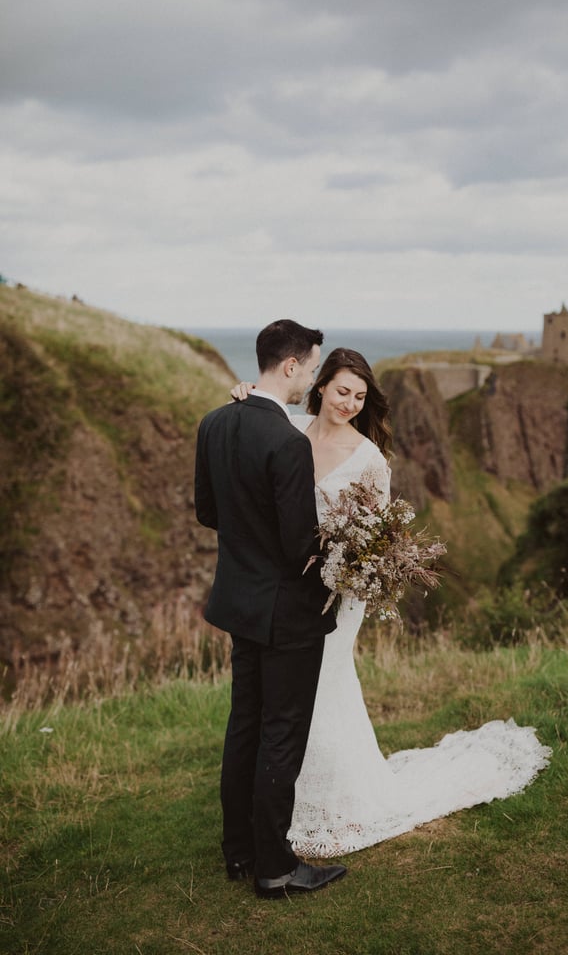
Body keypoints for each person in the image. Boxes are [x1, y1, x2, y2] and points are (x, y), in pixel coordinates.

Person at [231, 347, 552, 858]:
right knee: (289, 697)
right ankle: (283, 803)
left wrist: (348, 568)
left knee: (325, 688)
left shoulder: (369, 458)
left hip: (341, 594)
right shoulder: (289, 430)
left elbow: (379, 538)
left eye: (360, 397)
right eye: (341, 391)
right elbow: (259, 410)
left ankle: (330, 804)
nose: (350, 404)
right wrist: (243, 392)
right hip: (287, 589)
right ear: (319, 388)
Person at [194, 319, 347, 899]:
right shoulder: (286, 442)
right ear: (290, 367)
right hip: (287, 612)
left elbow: (208, 512)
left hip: (239, 602)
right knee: (282, 733)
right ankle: (276, 867)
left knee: (245, 727)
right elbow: (297, 544)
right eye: (311, 368)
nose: (311, 377)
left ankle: (239, 852)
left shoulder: (213, 423)